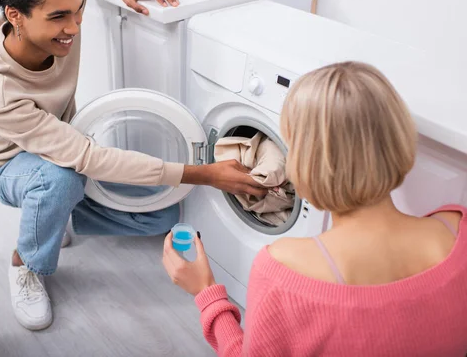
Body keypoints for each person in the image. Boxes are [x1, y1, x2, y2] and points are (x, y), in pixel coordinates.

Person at [0, 0, 266, 331]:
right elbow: (86, 156)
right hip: (8, 165)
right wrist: (202, 174)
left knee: (164, 215)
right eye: (60, 17)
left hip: (62, 145)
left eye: (77, 11)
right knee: (61, 179)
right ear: (16, 15)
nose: (74, 27)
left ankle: (54, 216)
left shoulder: (58, 1)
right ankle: (25, 263)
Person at [163, 61, 467, 356]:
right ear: (397, 138)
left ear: (306, 160)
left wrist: (206, 292)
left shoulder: (283, 271)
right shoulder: (456, 225)